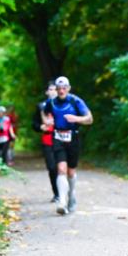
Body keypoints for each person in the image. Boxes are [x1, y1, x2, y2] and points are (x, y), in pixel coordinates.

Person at [43, 76, 93, 215]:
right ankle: (62, 202)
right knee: (61, 169)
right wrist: (47, 120)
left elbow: (89, 119)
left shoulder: (75, 101)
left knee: (71, 172)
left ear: (68, 88)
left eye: (64, 88)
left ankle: (71, 197)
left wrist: (76, 118)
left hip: (73, 137)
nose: (61, 91)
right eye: (59, 88)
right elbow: (45, 112)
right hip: (58, 137)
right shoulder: (51, 102)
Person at [32, 82, 59, 202]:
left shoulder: (64, 105)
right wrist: (40, 127)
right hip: (48, 140)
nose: (53, 91)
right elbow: (34, 124)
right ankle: (57, 193)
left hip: (62, 139)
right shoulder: (41, 107)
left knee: (63, 167)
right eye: (50, 89)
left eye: (55, 89)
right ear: (47, 92)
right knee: (52, 168)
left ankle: (65, 192)